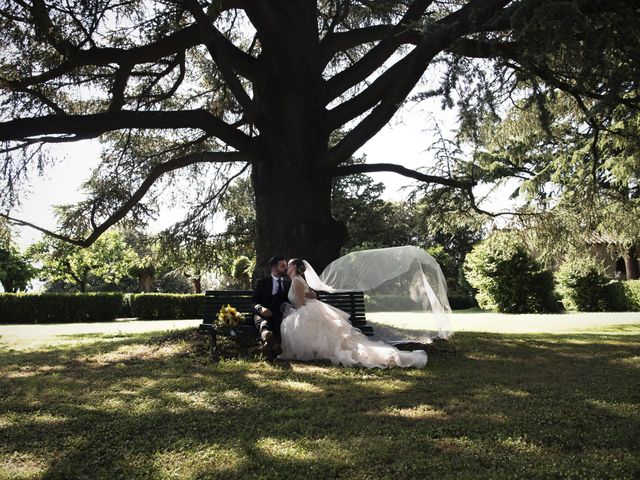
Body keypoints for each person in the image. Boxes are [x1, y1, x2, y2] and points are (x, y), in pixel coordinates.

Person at [279, 258, 428, 368]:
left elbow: (301, 303)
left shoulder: (296, 281)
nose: (287, 266)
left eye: (289, 264)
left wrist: (294, 312)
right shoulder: (299, 280)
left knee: (290, 324)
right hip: (310, 308)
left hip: (306, 310)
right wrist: (312, 296)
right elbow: (311, 295)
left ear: (294, 267)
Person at [252, 255, 290, 358]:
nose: (286, 269)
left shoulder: (289, 283)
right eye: (282, 266)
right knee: (261, 320)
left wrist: (314, 294)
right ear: (273, 268)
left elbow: (305, 291)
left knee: (274, 323)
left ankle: (267, 343)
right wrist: (261, 308)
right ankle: (267, 336)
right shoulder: (262, 283)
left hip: (280, 315)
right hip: (264, 314)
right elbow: (253, 302)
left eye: (285, 266)